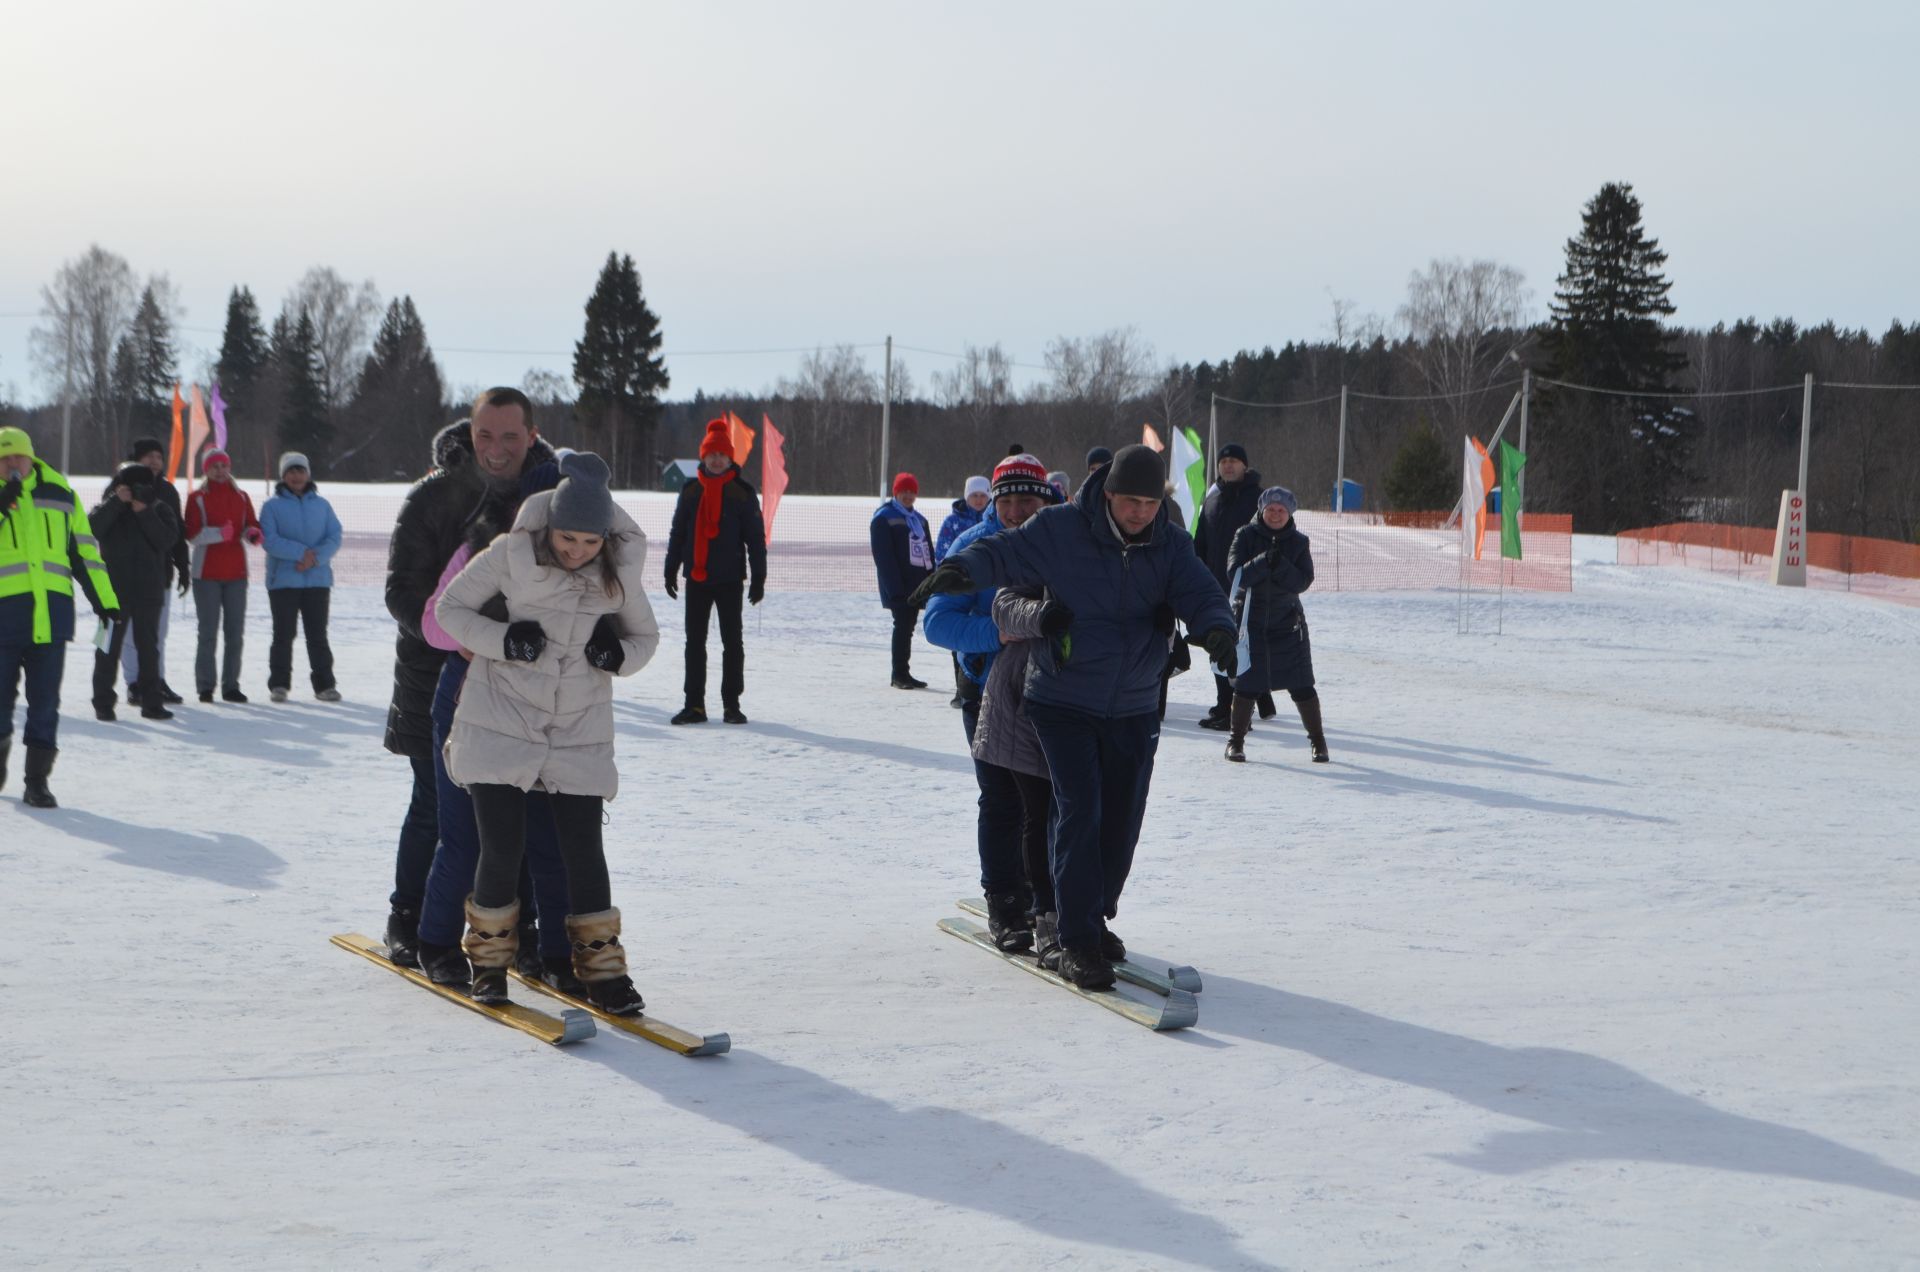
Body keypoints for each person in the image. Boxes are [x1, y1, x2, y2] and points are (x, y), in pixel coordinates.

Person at [913, 444, 1237, 989]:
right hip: (1059, 699)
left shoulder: (1169, 543)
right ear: (1107, 494)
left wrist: (1217, 628)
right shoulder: (1062, 529)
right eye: (1130, 501)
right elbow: (1002, 555)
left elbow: (1200, 590)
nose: (1140, 512)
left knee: (1120, 819)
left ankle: (1088, 913)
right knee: (1073, 810)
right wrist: (960, 568)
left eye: (1150, 502)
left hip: (1134, 701)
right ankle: (1075, 937)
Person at [435, 452, 661, 1014]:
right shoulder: (511, 553)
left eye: (589, 541)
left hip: (579, 725)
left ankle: (604, 974)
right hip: (500, 717)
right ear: (551, 524)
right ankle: (488, 966)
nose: (576, 550)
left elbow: (646, 638)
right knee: (502, 846)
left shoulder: (617, 570)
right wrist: (506, 640)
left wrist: (617, 653)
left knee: (585, 850)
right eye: (567, 538)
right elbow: (450, 609)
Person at [380, 387, 555, 967]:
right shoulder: (433, 498)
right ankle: (408, 917)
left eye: (510, 437)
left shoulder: (548, 496)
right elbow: (403, 594)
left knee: (520, 805)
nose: (496, 449)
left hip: (523, 686)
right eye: (485, 436)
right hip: (436, 678)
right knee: (436, 807)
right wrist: (473, 642)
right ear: (469, 433)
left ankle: (518, 929)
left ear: (530, 436)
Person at [922, 452, 1060, 952]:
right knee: (1001, 800)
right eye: (1009, 503)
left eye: (1029, 501)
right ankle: (1004, 902)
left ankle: (1042, 898)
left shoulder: (1064, 541)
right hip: (985, 690)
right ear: (994, 502)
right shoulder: (972, 545)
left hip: (1054, 693)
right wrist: (995, 633)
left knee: (1046, 804)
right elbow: (936, 622)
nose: (1019, 512)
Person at [0, 426, 119, 808]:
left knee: (45, 702)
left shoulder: (61, 493)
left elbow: (84, 552)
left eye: (16, 456)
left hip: (51, 619)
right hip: (3, 620)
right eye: (3, 459)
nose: (11, 464)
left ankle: (37, 781)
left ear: (31, 457)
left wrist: (105, 599)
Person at [663, 418, 767, 725]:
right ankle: (694, 704)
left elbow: (755, 539)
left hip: (729, 579)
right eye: (712, 454)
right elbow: (678, 532)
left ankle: (731, 704)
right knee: (694, 643)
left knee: (732, 642)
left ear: (730, 457)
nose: (717, 459)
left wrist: (759, 576)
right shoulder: (691, 491)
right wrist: (671, 569)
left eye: (722, 454)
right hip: (696, 578)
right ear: (703, 456)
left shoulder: (742, 493)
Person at [1223, 486, 1328, 763]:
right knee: (1245, 686)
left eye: (1281, 510)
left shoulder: (1299, 542)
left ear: (1290, 513)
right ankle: (1235, 742)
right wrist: (1261, 561)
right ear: (1262, 510)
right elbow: (1235, 575)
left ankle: (1318, 743)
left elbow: (1303, 582)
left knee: (1303, 686)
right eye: (1271, 509)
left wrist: (1279, 564)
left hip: (1288, 626)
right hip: (1251, 624)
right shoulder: (1245, 535)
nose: (1276, 514)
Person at [1190, 442, 1272, 729]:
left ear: (1244, 466)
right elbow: (1200, 543)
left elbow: (1271, 540)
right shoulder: (1211, 501)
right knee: (1218, 644)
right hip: (1214, 586)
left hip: (1249, 587)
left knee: (1246, 648)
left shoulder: (1259, 499)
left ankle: (1241, 708)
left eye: (1234, 461)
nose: (1228, 465)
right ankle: (1225, 703)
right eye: (1223, 461)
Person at [89, 464, 179, 722]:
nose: (137, 490)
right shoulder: (107, 506)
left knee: (148, 648)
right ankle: (103, 702)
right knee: (105, 645)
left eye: (143, 485)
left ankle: (152, 702)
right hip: (110, 593)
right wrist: (117, 503)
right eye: (132, 485)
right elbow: (92, 528)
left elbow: (166, 541)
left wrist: (144, 512)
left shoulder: (160, 509)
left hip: (148, 591)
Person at [259, 452, 343, 703]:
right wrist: (301, 554)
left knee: (317, 635)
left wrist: (314, 558)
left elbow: (335, 537)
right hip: (283, 581)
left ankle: (325, 685)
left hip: (317, 581)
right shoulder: (271, 506)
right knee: (283, 635)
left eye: (301, 470)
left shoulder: (323, 505)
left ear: (308, 474)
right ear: (283, 476)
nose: (296, 476)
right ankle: (279, 684)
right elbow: (270, 540)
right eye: (291, 471)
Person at [182, 448, 262, 703]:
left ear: (229, 468)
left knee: (235, 632)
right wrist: (218, 534)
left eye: (223, 465)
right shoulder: (197, 498)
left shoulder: (241, 496)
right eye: (214, 466)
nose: (220, 470)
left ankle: (231, 686)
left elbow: (251, 523)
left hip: (236, 573)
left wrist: (252, 534)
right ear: (206, 469)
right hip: (206, 573)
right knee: (208, 631)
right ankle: (206, 686)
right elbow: (192, 534)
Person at [120, 437, 189, 707]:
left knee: (158, 632)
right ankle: (134, 682)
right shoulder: (120, 486)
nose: (154, 461)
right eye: (148, 456)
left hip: (160, 572)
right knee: (128, 634)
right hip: (127, 573)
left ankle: (156, 680)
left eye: (159, 456)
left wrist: (182, 565)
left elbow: (177, 532)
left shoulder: (169, 491)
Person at [870, 471, 933, 689]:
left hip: (917, 584)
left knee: (908, 626)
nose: (908, 496)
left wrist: (931, 581)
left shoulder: (919, 520)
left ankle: (903, 672)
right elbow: (883, 556)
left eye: (912, 492)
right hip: (898, 585)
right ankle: (898, 674)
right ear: (896, 492)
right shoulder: (884, 517)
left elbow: (928, 553)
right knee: (903, 625)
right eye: (904, 491)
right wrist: (894, 587)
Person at [934, 475, 990, 707]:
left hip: (984, 587)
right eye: (974, 496)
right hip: (960, 588)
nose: (978, 500)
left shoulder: (995, 521)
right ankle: (961, 688)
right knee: (959, 641)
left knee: (982, 637)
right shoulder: (953, 523)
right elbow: (943, 554)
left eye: (982, 496)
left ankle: (983, 685)